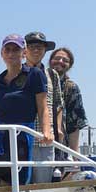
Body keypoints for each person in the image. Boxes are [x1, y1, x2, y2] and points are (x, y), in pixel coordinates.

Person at [0, 34, 50, 189]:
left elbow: (43, 107)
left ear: (24, 53)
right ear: (2, 54)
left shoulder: (34, 74)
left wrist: (47, 131)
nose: (11, 53)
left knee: (17, 180)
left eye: (16, 50)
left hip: (21, 136)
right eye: (8, 50)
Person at [24, 32, 64, 183]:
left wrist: (58, 130)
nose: (36, 50)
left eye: (40, 47)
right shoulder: (17, 73)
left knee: (43, 187)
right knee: (21, 188)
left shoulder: (52, 74)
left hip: (45, 139)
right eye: (32, 46)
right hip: (23, 140)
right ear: (25, 50)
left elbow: (58, 104)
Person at [49, 46, 88, 151]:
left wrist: (75, 156)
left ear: (70, 66)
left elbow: (75, 125)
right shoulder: (39, 79)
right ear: (50, 61)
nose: (60, 61)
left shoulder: (71, 88)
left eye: (65, 60)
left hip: (60, 145)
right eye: (57, 58)